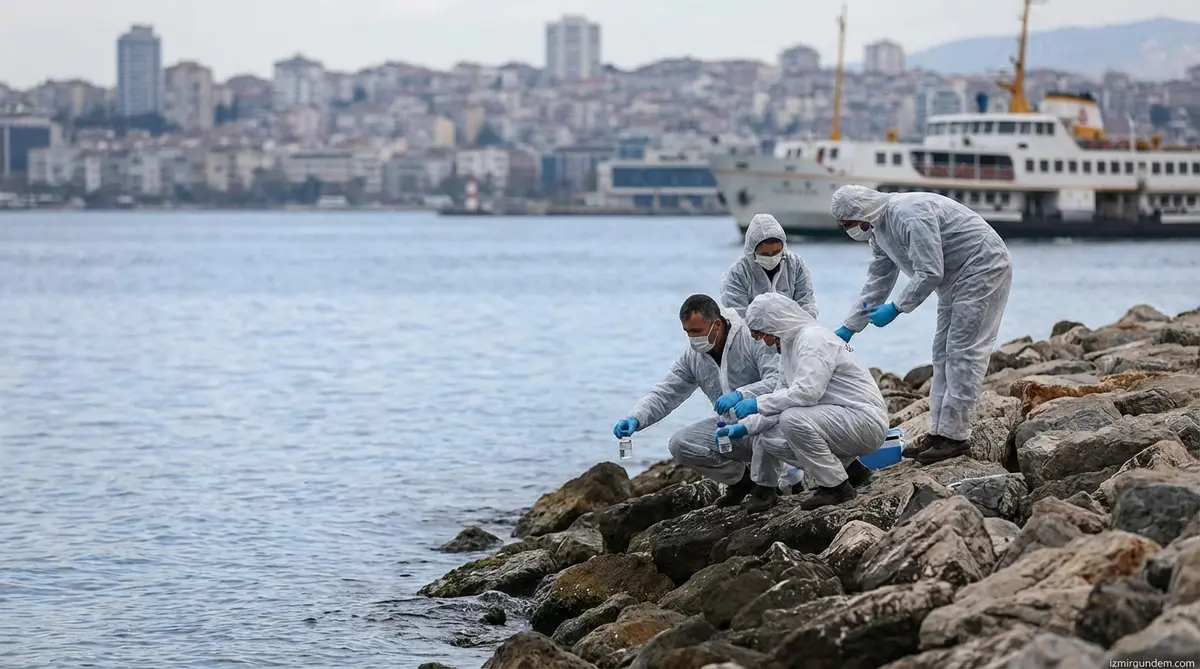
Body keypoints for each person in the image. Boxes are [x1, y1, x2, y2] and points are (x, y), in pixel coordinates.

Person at [829, 185, 1013, 465]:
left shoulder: (907, 214)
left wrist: (897, 308)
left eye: (849, 224)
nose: (850, 230)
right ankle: (939, 432)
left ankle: (956, 438)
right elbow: (877, 281)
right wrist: (851, 326)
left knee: (963, 352)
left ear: (861, 210)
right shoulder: (878, 231)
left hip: (982, 268)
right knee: (942, 353)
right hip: (953, 280)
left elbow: (930, 270)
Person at [612, 294, 785, 509]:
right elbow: (666, 392)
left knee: (773, 429)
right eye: (687, 332)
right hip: (731, 429)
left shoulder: (752, 338)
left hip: (767, 424)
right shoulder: (693, 356)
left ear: (717, 324)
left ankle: (766, 488)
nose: (692, 339)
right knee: (680, 443)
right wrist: (635, 418)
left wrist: (742, 394)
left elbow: (778, 381)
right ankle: (742, 483)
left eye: (696, 332)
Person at [717, 292, 887, 510]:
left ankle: (837, 487)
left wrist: (756, 403)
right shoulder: (788, 348)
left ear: (776, 323)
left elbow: (806, 394)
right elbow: (780, 397)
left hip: (864, 420)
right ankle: (853, 471)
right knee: (770, 437)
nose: (766, 342)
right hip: (843, 420)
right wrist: (743, 427)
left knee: (792, 418)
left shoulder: (813, 339)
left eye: (763, 334)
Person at [720, 213, 818, 320]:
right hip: (753, 334)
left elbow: (806, 303)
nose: (772, 258)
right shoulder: (738, 273)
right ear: (752, 252)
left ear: (783, 247)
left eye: (776, 252)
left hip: (793, 331)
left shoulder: (795, 264)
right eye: (765, 254)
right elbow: (737, 315)